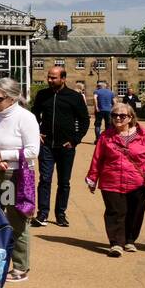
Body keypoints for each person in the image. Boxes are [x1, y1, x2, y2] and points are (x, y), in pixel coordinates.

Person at [0, 77, 39, 282]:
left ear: (12, 98)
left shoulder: (25, 118)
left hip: (13, 176)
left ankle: (20, 267)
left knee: (15, 220)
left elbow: (33, 151)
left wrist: (4, 157)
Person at [86, 102, 145, 256]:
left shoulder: (144, 135)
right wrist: (93, 178)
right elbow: (97, 159)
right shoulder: (106, 136)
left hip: (138, 181)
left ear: (131, 117)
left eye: (122, 115)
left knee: (135, 212)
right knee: (115, 212)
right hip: (111, 180)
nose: (118, 118)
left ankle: (130, 240)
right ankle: (116, 243)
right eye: (114, 115)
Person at [30, 65, 90, 229]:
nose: (50, 80)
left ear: (63, 79)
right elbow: (34, 114)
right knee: (45, 179)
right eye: (49, 77)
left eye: (53, 78)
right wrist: (37, 132)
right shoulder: (42, 95)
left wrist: (75, 140)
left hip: (66, 146)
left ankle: (61, 214)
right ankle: (42, 213)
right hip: (47, 145)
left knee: (64, 182)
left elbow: (84, 120)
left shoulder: (74, 97)